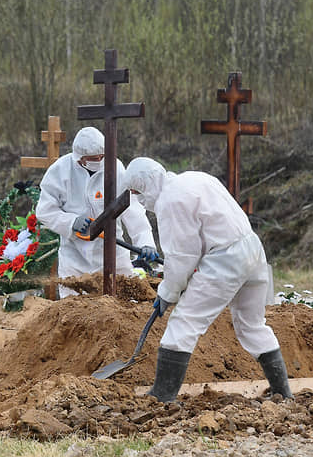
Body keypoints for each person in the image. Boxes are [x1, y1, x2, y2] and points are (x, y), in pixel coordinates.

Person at [122, 157, 292, 403]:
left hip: (225, 259)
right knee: (252, 324)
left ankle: (162, 397)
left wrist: (167, 293)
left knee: (183, 322)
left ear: (147, 184)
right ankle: (283, 392)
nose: (139, 199)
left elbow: (182, 257)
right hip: (252, 250)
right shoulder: (195, 177)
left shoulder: (171, 200)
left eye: (138, 192)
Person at [36, 126, 158, 297]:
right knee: (75, 311)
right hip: (74, 256)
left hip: (114, 253)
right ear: (80, 159)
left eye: (102, 156)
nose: (100, 161)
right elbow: (44, 211)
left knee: (124, 304)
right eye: (94, 158)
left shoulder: (116, 168)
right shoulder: (60, 171)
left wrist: (145, 242)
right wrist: (71, 222)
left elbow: (133, 209)